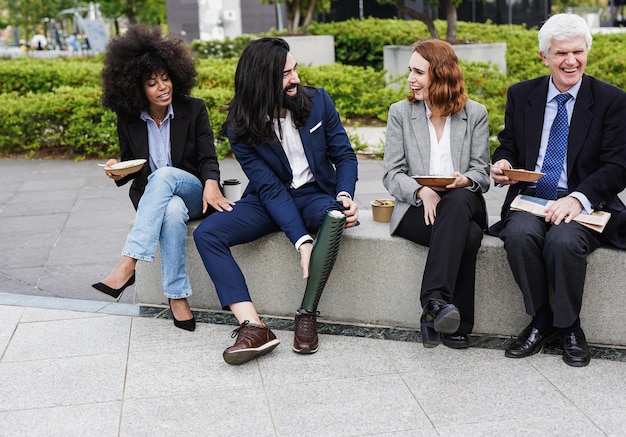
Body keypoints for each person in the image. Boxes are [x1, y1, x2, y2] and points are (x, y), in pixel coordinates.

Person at [193, 37, 359, 365]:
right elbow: (270, 190)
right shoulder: (240, 127)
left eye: (294, 69)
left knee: (334, 220)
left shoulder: (319, 101)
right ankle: (253, 327)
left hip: (315, 196)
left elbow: (345, 156)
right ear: (262, 81)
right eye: (286, 74)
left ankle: (307, 313)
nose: (295, 78)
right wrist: (302, 242)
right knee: (207, 234)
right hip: (268, 201)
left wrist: (344, 196)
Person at [490, 13, 626, 367]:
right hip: (532, 198)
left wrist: (575, 199)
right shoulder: (522, 95)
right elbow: (508, 145)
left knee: (563, 241)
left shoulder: (612, 100)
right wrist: (503, 163)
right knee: (518, 235)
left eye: (578, 52)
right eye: (561, 53)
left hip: (585, 201)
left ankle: (569, 327)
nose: (571, 61)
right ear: (544, 57)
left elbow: (617, 166)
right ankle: (540, 319)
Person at [92, 24, 233, 331]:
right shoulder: (129, 119)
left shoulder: (194, 109)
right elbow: (132, 163)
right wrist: (117, 168)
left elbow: (209, 158)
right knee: (170, 212)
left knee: (166, 175)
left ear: (176, 76)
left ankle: (129, 262)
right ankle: (178, 297)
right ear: (135, 88)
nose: (162, 87)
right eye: (152, 83)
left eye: (165, 78)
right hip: (160, 199)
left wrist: (211, 184)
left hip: (194, 191)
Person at [383, 39, 490, 349]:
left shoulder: (476, 114)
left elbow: (482, 173)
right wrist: (422, 191)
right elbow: (391, 173)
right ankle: (457, 322)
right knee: (468, 236)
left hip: (463, 199)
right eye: (410, 71)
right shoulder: (401, 113)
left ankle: (433, 302)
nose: (410, 79)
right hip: (418, 210)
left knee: (456, 202)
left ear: (441, 74)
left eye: (418, 72)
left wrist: (464, 179)